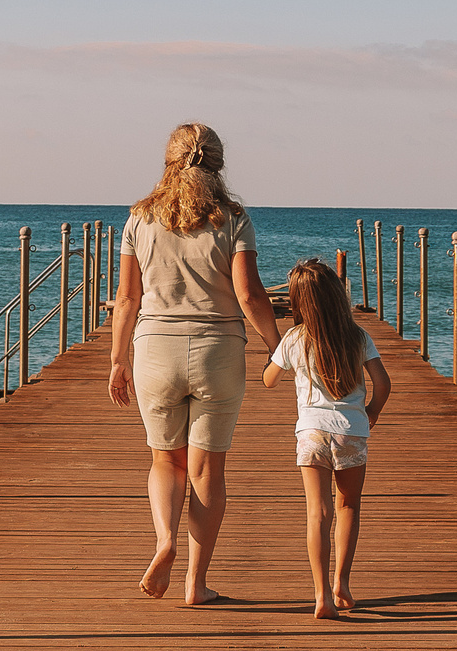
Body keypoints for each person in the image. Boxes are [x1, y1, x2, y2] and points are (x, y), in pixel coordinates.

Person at [107, 122, 283, 606]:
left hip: (155, 351)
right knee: (207, 471)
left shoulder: (139, 219)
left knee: (166, 458)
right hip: (218, 351)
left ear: (169, 161)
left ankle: (164, 540)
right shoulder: (233, 218)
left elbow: (126, 298)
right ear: (218, 165)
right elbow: (248, 294)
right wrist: (276, 345)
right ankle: (195, 584)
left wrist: (118, 359)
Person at [263, 257, 391, 620]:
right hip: (351, 431)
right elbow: (383, 384)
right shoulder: (358, 336)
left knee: (317, 513)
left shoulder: (294, 338)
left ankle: (321, 596)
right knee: (347, 506)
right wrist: (372, 413)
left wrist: (274, 359)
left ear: (297, 302)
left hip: (312, 434)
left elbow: (270, 380)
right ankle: (343, 583)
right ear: (337, 295)